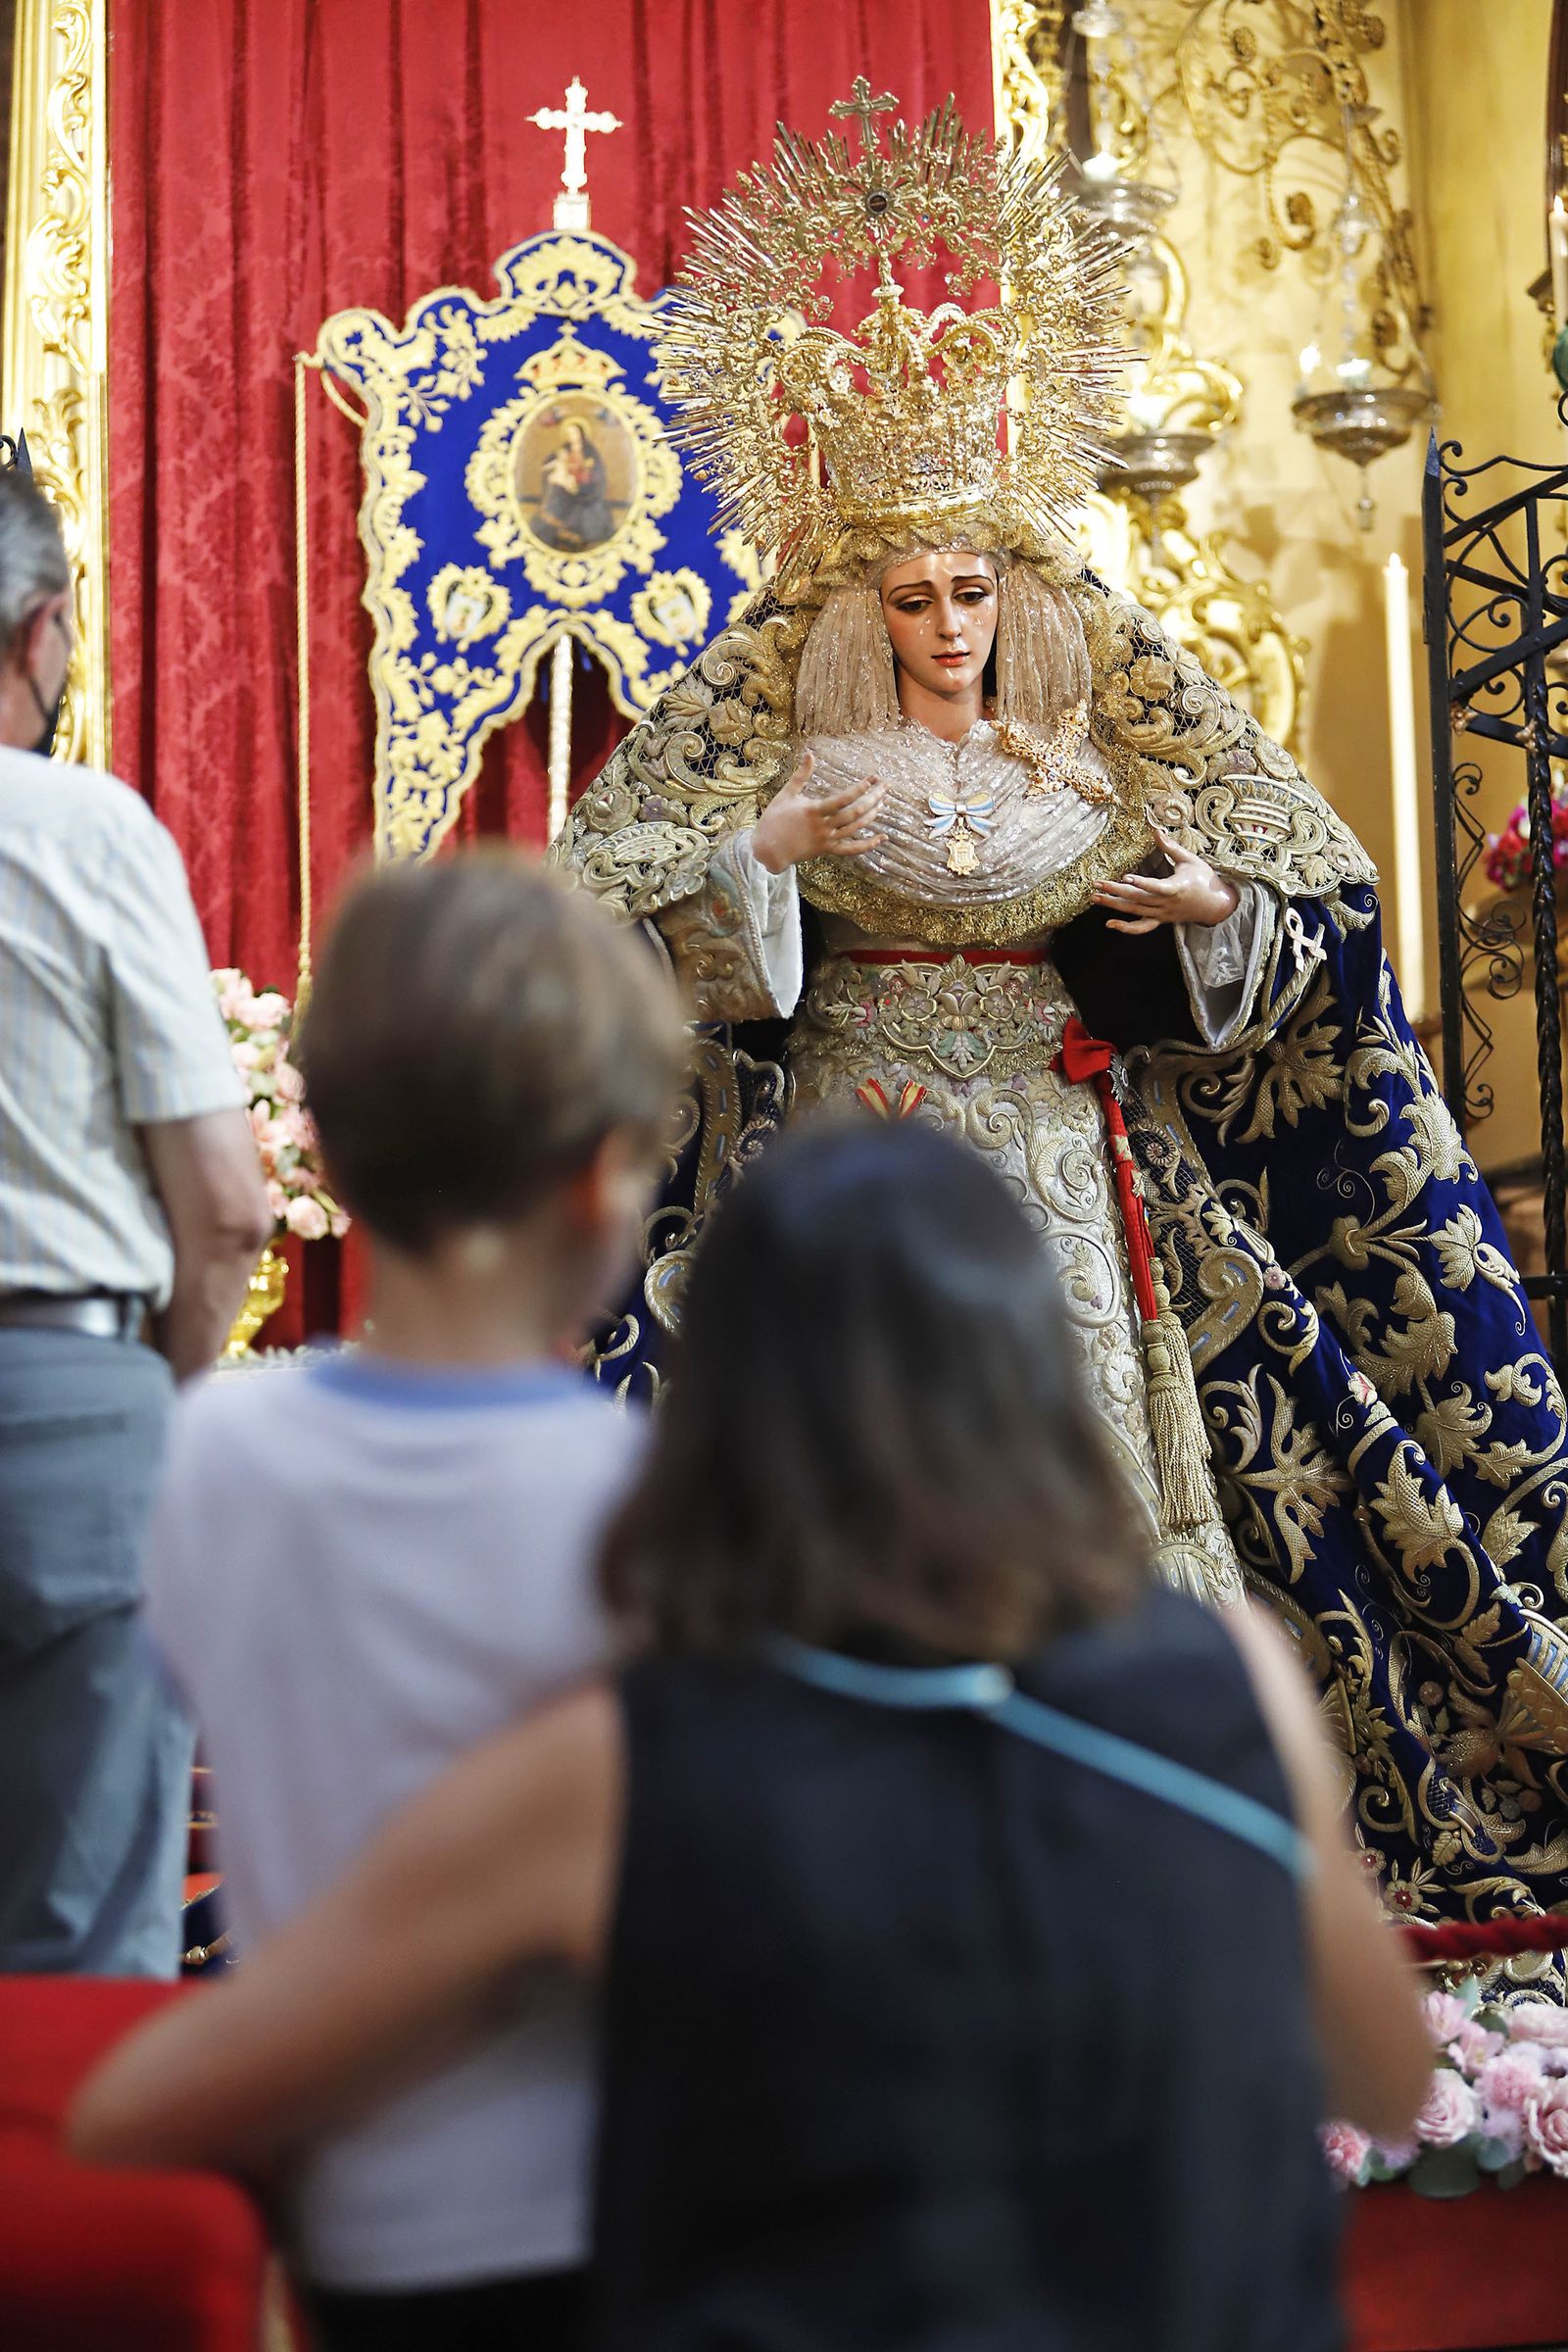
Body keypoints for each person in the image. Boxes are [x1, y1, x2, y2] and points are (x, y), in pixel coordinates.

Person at [560, 88, 1568, 1940]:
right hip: (849, 1141)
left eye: (974, 589)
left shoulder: (1106, 717)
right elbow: (589, 912)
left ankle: (1119, 1807)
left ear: (1018, 589)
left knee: (1087, 1438)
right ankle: (853, 1819)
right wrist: (761, 861)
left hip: (1057, 1128)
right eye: (914, 595)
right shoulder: (767, 719)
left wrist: (1203, 919)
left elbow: (1308, 893)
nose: (949, 624)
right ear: (857, 599)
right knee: (857, 1454)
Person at [71, 1120, 1430, 2350]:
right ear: (1040, 1369)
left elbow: (154, 2109)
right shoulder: (1230, 1668)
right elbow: (1384, 2077)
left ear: (719, 1406)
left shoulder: (621, 1769)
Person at [131, 852, 686, 2350]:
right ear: (602, 1180)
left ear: (331, 1157)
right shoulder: (645, 1509)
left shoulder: (214, 1460)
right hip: (614, 2200)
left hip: (340, 2205)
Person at [0, 469, 270, 1978]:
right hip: (63, 1399)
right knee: (78, 1946)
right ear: (47, 631)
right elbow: (229, 1211)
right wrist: (151, 1393)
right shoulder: (86, 830)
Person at [534, 419, 613, 553]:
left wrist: (586, 474)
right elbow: (547, 465)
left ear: (581, 434)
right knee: (556, 487)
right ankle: (561, 530)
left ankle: (575, 533)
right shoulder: (563, 449)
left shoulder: (590, 450)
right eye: (569, 433)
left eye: (574, 433)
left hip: (585, 489)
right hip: (564, 487)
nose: (572, 436)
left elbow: (598, 472)